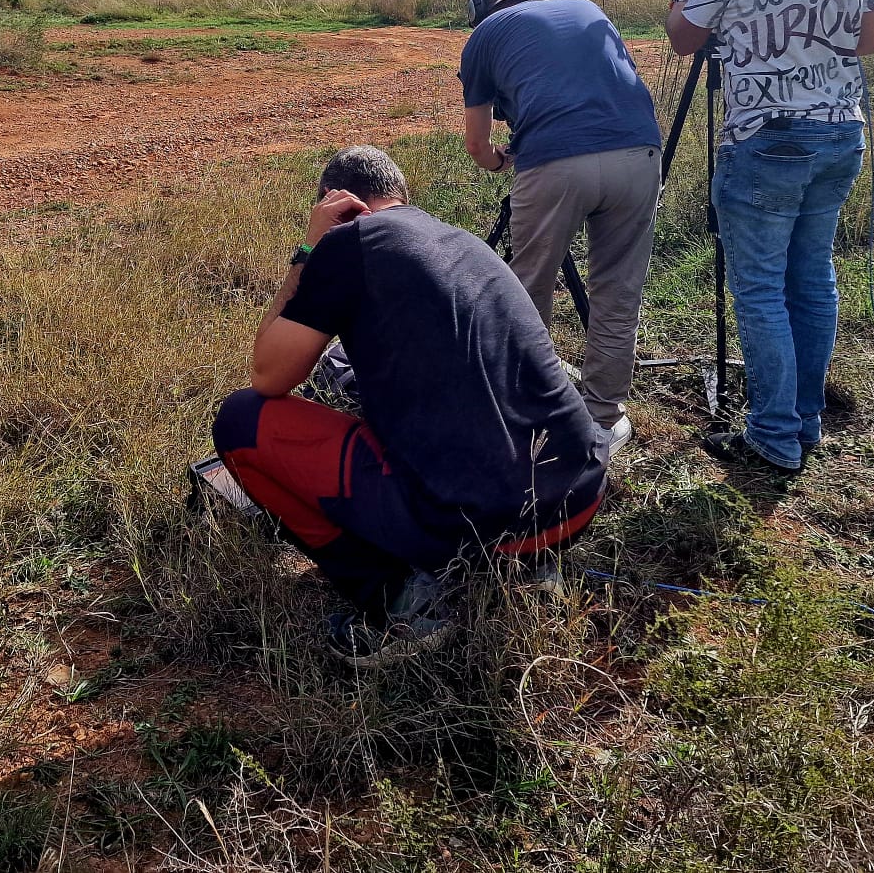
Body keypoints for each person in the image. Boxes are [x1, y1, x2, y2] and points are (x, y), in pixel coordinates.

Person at [212, 146, 610, 663]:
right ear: (402, 197)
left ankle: (397, 602)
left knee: (241, 421)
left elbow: (268, 375)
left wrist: (309, 251)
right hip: (577, 495)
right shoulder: (461, 239)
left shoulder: (349, 242)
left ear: (338, 204)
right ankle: (531, 568)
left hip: (486, 524)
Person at [664, 0, 874, 474]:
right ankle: (805, 421)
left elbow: (685, 40)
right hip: (840, 134)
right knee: (812, 277)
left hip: (767, 139)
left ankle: (772, 435)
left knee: (760, 289)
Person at [458, 0, 663, 446]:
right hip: (638, 154)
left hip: (553, 161)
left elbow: (477, 143)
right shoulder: (586, 6)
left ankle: (526, 409)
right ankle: (602, 419)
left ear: (478, 9)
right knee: (618, 291)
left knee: (528, 287)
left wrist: (499, 160)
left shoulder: (484, 36)